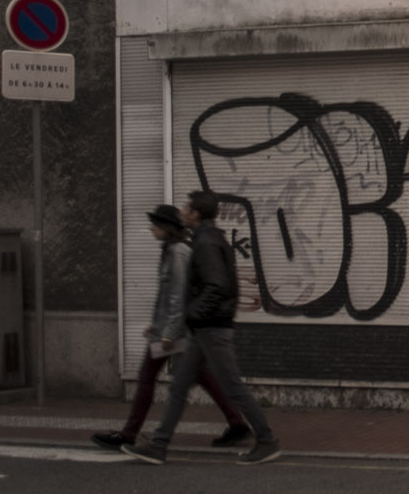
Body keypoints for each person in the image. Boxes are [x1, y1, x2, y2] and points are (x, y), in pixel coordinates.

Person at [123, 191, 281, 465]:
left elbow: (216, 286)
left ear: (195, 213)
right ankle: (159, 445)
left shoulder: (205, 242)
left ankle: (266, 440)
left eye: (186, 207)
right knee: (180, 386)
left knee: (232, 387)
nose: (182, 211)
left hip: (211, 328)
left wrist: (192, 314)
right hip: (203, 328)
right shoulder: (205, 238)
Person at [92, 205, 251, 451]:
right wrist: (156, 324)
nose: (150, 228)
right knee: (203, 376)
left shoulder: (178, 252)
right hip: (173, 329)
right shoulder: (169, 250)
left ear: (166, 227)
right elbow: (166, 296)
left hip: (176, 332)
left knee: (148, 378)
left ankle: (130, 434)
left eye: (155, 224)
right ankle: (237, 423)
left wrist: (167, 332)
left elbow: (178, 296)